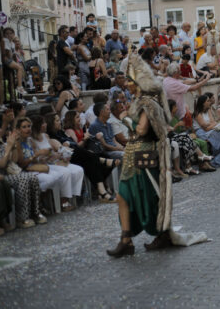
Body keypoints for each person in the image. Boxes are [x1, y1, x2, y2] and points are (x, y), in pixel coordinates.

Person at [106, 54, 175, 257]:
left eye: (130, 80)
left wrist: (125, 118)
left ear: (139, 82)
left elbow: (143, 130)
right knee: (122, 196)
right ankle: (126, 240)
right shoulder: (136, 101)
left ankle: (163, 233)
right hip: (131, 157)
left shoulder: (148, 102)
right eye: (127, 80)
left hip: (145, 157)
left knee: (149, 198)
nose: (127, 84)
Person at [48, 112, 117, 202]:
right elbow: (71, 147)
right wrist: (83, 139)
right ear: (51, 123)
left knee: (100, 157)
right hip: (68, 158)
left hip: (80, 154)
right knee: (89, 158)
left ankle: (101, 190)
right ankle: (102, 190)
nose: (59, 122)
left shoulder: (61, 132)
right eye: (57, 121)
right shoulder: (53, 136)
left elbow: (73, 144)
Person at [14, 117, 78, 212]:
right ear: (18, 130)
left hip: (37, 167)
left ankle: (47, 201)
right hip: (26, 170)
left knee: (58, 175)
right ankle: (39, 202)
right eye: (24, 127)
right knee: (52, 178)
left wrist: (46, 155)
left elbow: (37, 159)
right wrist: (38, 154)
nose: (28, 129)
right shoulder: (18, 143)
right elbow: (21, 163)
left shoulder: (29, 141)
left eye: (29, 126)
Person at [0, 122, 46, 229]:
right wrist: (9, 147)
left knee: (32, 177)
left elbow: (14, 160)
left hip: (10, 174)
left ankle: (36, 212)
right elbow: (1, 164)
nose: (0, 131)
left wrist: (14, 145)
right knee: (23, 179)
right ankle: (22, 217)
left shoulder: (1, 143)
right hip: (0, 176)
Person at [193, 94, 220, 168]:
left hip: (211, 130)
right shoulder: (197, 113)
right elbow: (205, 128)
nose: (210, 102)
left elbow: (213, 122)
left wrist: (210, 124)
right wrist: (212, 124)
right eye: (208, 101)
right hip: (202, 133)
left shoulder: (208, 110)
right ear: (203, 103)